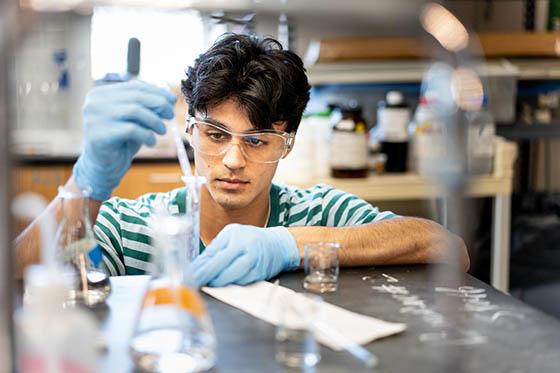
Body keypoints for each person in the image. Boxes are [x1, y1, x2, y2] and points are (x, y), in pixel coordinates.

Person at [15, 33, 469, 286]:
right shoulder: (143, 226)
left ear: (286, 144)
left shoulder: (318, 215)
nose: (232, 159)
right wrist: (86, 183)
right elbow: (15, 274)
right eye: (215, 134)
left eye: (257, 140)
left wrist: (290, 246)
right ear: (190, 133)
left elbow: (449, 249)